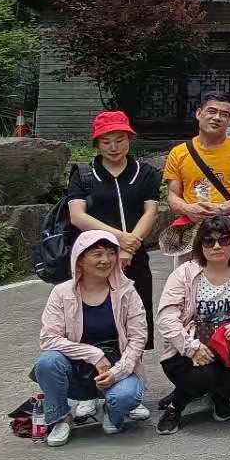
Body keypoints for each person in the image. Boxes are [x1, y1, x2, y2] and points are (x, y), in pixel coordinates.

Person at [34, 229, 147, 446]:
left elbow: (137, 339)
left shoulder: (127, 291)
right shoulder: (61, 293)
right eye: (97, 254)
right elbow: (48, 339)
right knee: (47, 362)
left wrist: (117, 372)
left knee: (126, 396)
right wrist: (93, 354)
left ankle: (113, 411)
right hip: (75, 370)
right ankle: (60, 418)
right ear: (80, 259)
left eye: (111, 253)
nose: (106, 260)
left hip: (116, 367)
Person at [154, 215, 230, 435]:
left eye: (224, 239)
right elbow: (166, 317)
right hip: (192, 344)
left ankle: (220, 397)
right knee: (204, 375)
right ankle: (176, 406)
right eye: (209, 241)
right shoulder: (184, 273)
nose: (216, 246)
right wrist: (190, 347)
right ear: (200, 245)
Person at [68, 110, 160, 351]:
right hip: (94, 259)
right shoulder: (84, 174)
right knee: (95, 319)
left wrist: (131, 246)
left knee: (136, 321)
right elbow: (77, 216)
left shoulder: (146, 173)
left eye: (120, 140)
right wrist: (119, 239)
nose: (113, 147)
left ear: (129, 139)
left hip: (135, 258)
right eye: (106, 141)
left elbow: (150, 212)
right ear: (97, 144)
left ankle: (133, 368)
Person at [163, 91, 230, 255]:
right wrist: (188, 209)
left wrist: (222, 208)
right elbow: (173, 195)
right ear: (198, 113)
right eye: (212, 111)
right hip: (191, 224)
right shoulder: (178, 153)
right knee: (188, 271)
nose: (217, 117)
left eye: (224, 114)